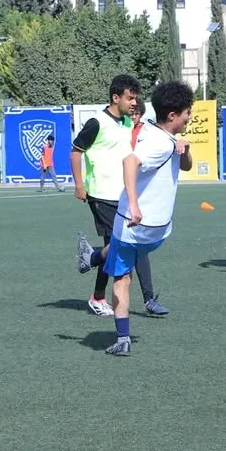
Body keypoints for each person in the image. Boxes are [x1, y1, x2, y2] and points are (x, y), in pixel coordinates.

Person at [75, 80, 194, 356]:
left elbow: (184, 163)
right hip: (136, 223)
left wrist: (184, 148)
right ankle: (123, 338)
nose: (190, 117)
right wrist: (134, 205)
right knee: (122, 277)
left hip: (152, 228)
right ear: (174, 116)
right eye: (188, 112)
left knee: (119, 254)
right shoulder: (159, 143)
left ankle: (92, 258)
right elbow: (129, 162)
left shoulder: (161, 135)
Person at [72, 75, 169, 318]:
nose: (134, 102)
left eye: (136, 97)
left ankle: (95, 263)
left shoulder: (128, 123)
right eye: (130, 97)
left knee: (133, 246)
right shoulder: (96, 122)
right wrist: (79, 185)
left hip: (124, 195)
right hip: (101, 195)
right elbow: (76, 153)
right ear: (116, 98)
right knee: (116, 247)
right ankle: (99, 297)